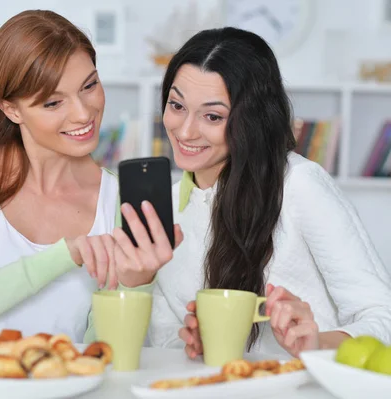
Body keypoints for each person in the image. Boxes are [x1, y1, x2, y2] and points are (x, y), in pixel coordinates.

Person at [0, 10, 167, 342]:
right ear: (11, 109)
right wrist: (62, 256)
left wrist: (136, 282)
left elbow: (106, 356)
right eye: (54, 103)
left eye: (89, 85)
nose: (84, 113)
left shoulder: (118, 199)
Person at [135, 27, 391, 358]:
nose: (184, 130)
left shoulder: (299, 185)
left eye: (212, 116)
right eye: (177, 105)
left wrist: (316, 343)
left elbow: (383, 318)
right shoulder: (166, 207)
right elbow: (167, 337)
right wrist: (194, 344)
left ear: (251, 119)